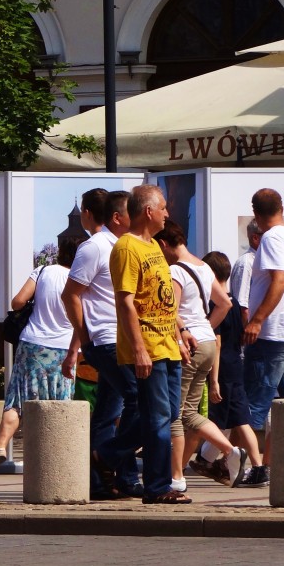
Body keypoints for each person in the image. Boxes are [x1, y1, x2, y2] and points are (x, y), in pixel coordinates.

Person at [100, 184, 191, 505]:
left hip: (167, 344)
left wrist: (181, 332)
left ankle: (107, 453)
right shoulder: (126, 249)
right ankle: (157, 487)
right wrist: (138, 348)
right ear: (148, 211)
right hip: (148, 346)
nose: (168, 213)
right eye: (163, 207)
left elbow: (163, 296)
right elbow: (125, 302)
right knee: (157, 420)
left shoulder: (153, 245)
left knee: (165, 416)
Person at [60, 189, 142, 499]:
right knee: (138, 398)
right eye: (131, 214)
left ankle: (105, 480)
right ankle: (111, 461)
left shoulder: (126, 245)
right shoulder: (95, 247)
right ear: (118, 217)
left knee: (110, 410)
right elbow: (71, 295)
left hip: (123, 339)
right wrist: (84, 339)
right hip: (106, 339)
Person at [0, 235, 84, 475]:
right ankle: (56, 461)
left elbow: (17, 302)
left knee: (17, 399)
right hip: (64, 348)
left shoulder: (43, 271)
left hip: (32, 344)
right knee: (60, 402)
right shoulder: (82, 280)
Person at [154, 221, 244, 490]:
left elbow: (170, 311)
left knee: (176, 414)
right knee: (190, 412)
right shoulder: (203, 267)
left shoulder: (174, 271)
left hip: (188, 344)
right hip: (206, 342)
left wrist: (187, 330)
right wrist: (207, 327)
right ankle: (230, 451)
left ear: (164, 244)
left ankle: (176, 477)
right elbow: (225, 303)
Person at [242, 188, 284, 473]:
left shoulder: (270, 237)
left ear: (255, 213)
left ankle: (219, 458)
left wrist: (257, 319)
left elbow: (279, 281)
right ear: (281, 207)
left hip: (273, 331)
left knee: (253, 404)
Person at [190, 251, 266, 487]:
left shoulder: (216, 304)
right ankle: (259, 466)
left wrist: (213, 380)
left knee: (216, 418)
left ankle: (214, 457)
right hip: (237, 366)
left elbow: (217, 343)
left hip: (222, 369)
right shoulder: (234, 304)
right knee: (240, 419)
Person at [230, 219, 261, 323]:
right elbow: (243, 306)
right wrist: (248, 332)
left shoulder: (260, 260)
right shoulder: (247, 263)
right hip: (252, 331)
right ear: (255, 238)